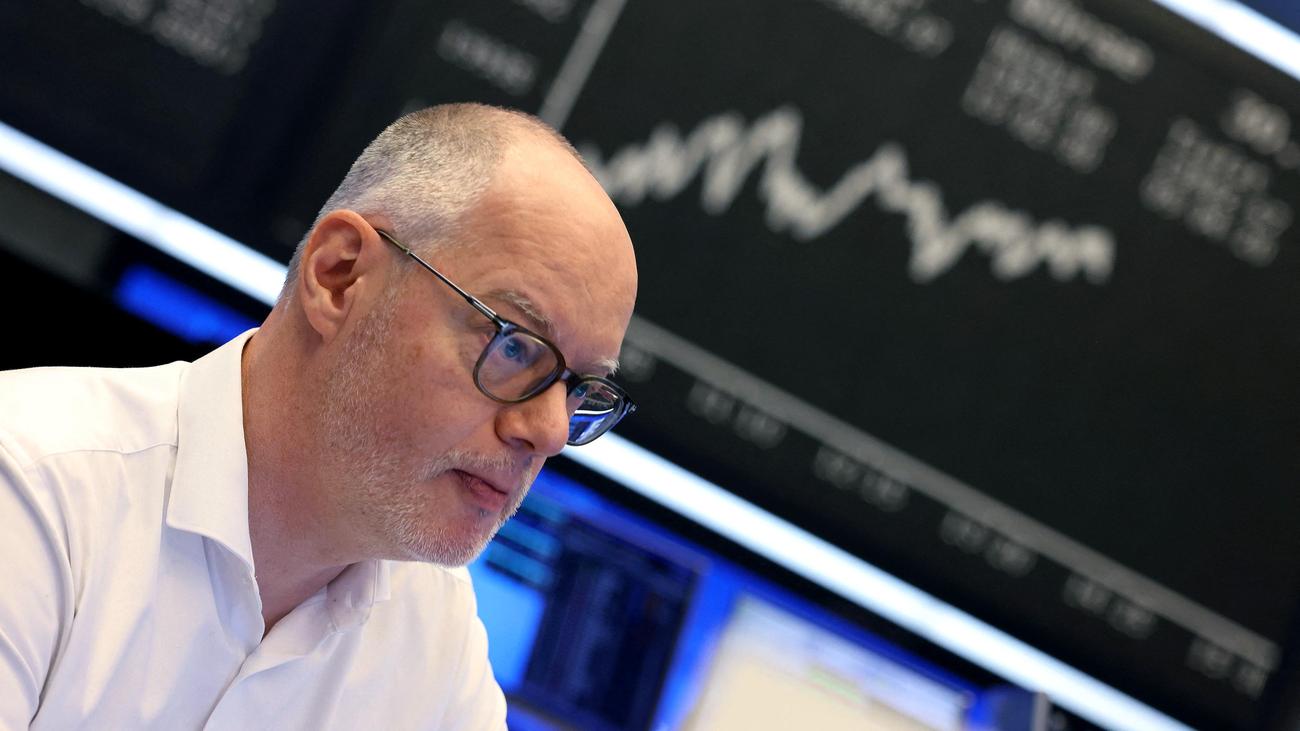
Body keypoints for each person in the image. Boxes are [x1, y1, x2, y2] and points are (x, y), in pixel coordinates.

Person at [0, 103, 639, 729]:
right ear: (339, 277)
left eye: (580, 390)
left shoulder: (435, 644)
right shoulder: (32, 485)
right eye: (515, 346)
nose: (550, 433)